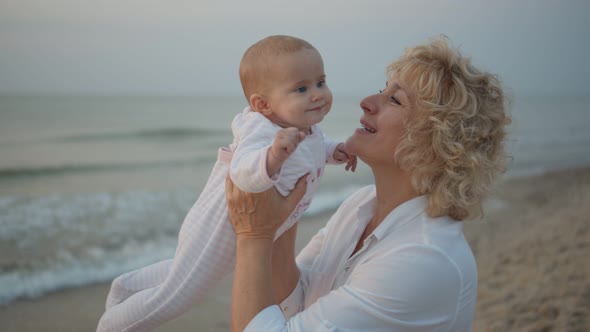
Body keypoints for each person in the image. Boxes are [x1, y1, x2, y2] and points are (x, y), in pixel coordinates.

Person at [225, 36, 511, 332]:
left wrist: (253, 235)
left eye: (395, 100)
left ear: (438, 141)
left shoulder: (423, 259)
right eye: (381, 90)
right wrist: (283, 205)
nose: (367, 102)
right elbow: (295, 301)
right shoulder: (360, 205)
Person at [96, 35, 356, 332]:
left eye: (321, 82)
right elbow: (242, 172)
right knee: (177, 295)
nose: (317, 94)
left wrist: (335, 152)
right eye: (301, 88)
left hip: (246, 231)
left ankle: (125, 286)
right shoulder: (261, 129)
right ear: (263, 105)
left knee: (184, 273)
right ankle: (111, 325)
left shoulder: (307, 128)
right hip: (219, 226)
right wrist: (272, 157)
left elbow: (315, 150)